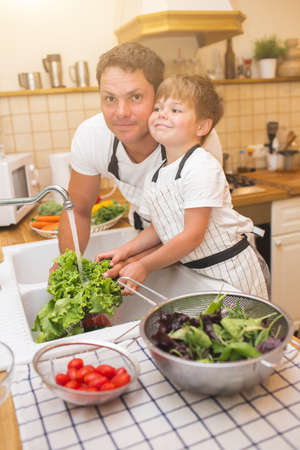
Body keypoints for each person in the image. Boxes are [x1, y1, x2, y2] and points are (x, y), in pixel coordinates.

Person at [54, 42, 223, 275]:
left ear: (157, 96)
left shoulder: (193, 136)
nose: (121, 112)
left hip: (208, 256)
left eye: (135, 97)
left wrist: (138, 262)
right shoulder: (92, 136)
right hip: (146, 239)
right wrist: (67, 266)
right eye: (110, 98)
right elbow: (79, 209)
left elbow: (192, 230)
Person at [96, 75, 269, 300]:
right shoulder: (156, 175)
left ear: (202, 126)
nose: (162, 113)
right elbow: (160, 227)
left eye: (175, 110)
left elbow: (191, 236)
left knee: (249, 333)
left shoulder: (200, 165)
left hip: (232, 272)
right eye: (158, 108)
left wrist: (144, 265)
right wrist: (126, 251)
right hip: (201, 274)